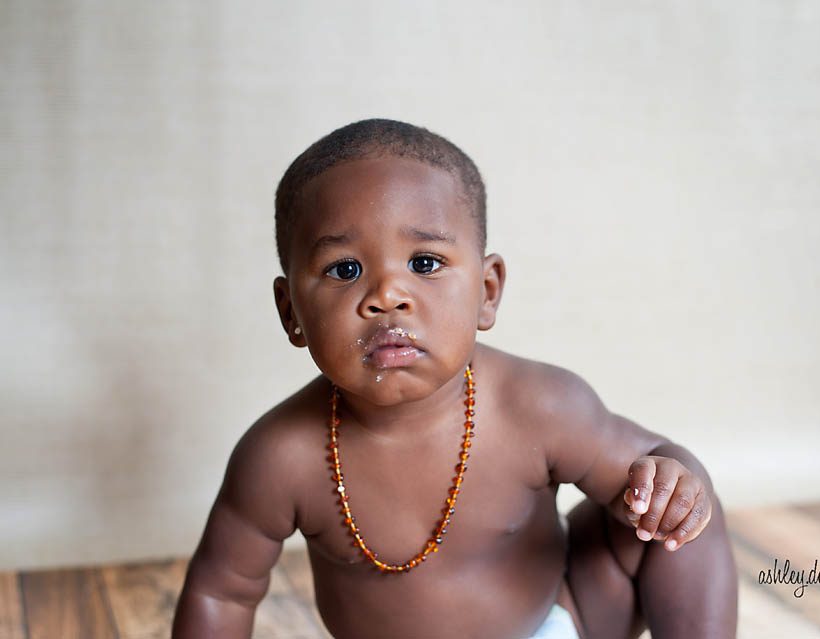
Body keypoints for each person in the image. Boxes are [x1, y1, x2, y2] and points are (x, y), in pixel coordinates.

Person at [172, 119, 738, 638]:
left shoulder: (539, 407)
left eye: (424, 263)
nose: (387, 295)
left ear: (487, 292)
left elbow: (660, 468)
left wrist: (671, 486)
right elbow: (222, 591)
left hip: (558, 624)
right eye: (345, 270)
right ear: (291, 310)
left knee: (677, 503)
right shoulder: (280, 456)